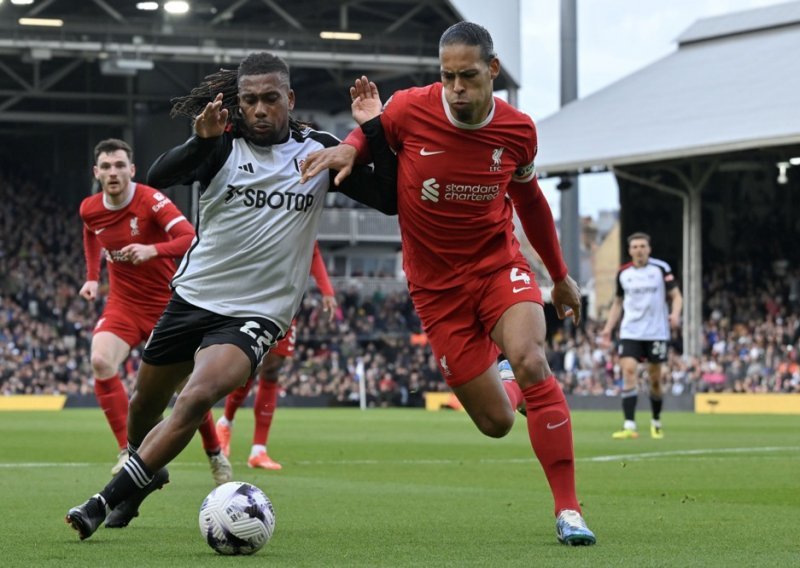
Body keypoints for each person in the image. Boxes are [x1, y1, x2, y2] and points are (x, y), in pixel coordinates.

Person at [65, 51, 397, 541]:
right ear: (238, 104)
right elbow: (155, 176)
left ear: (290, 99)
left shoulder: (318, 151)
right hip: (194, 298)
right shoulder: (221, 147)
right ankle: (147, 472)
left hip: (257, 314)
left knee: (196, 397)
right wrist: (199, 139)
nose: (260, 109)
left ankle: (104, 499)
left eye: (269, 99)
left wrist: (372, 130)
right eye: (249, 101)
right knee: (143, 406)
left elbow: (389, 200)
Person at [301, 22, 596, 545]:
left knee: (532, 359)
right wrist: (350, 148)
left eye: (468, 76)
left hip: (498, 266)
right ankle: (507, 381)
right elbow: (366, 139)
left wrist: (561, 277)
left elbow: (530, 202)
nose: (456, 88)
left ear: (493, 71)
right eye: (447, 77)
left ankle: (569, 511)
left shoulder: (517, 130)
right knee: (498, 423)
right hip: (436, 291)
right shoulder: (411, 108)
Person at [79, 138, 232, 486]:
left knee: (189, 390)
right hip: (122, 304)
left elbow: (190, 237)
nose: (113, 172)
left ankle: (214, 453)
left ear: (131, 170)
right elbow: (91, 234)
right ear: (97, 172)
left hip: (166, 308)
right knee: (101, 360)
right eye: (106, 166)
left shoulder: (151, 201)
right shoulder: (90, 208)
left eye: (120, 165)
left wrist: (153, 250)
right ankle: (127, 452)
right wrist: (91, 278)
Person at [215, 241, 337, 470]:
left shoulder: (301, 215)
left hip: (287, 304)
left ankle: (258, 451)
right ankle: (226, 422)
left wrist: (327, 291)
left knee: (272, 371)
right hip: (256, 299)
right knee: (251, 365)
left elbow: (313, 249)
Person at [600, 232, 682, 439]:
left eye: (642, 246)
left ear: (649, 249)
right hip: (630, 331)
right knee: (628, 371)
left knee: (655, 379)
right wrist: (608, 328)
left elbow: (676, 295)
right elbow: (617, 303)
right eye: (635, 247)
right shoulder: (623, 273)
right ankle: (629, 425)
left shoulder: (660, 269)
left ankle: (656, 421)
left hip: (656, 332)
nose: (639, 250)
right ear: (630, 251)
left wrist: (675, 313)